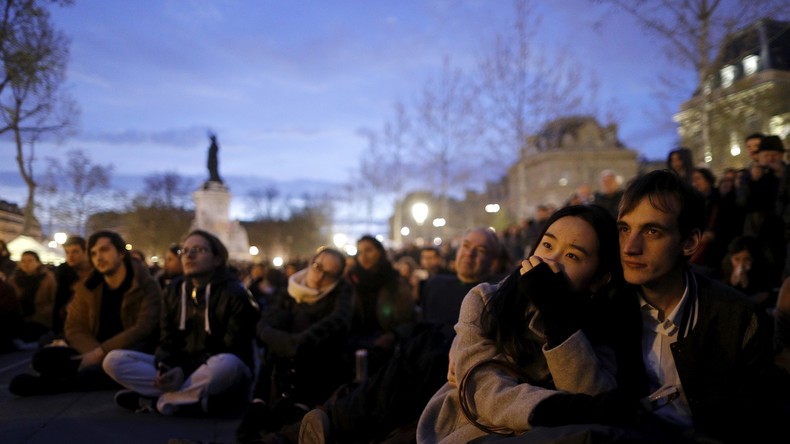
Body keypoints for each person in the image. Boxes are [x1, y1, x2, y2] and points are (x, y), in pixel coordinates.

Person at [414, 204, 626, 443]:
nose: (549, 261)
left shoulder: (600, 324)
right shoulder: (485, 299)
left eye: (572, 256)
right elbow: (485, 392)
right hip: (473, 431)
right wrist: (556, 408)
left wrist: (557, 317)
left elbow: (594, 399)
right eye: (547, 245)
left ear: (599, 278)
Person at [612, 169, 788, 442]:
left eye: (652, 230)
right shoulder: (604, 309)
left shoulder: (739, 318)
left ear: (690, 242)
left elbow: (757, 422)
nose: (629, 247)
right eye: (624, 229)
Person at [298, 227, 504, 444]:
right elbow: (420, 323)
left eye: (480, 250)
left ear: (493, 261)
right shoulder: (436, 284)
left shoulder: (493, 295)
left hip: (448, 371)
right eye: (466, 246)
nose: (469, 254)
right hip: (413, 357)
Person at [102, 229, 259, 416]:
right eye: (184, 251)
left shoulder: (235, 293)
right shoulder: (174, 290)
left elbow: (231, 347)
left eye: (198, 250)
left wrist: (184, 371)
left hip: (219, 369)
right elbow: (167, 338)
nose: (189, 255)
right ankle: (188, 400)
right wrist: (166, 367)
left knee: (227, 363)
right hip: (181, 368)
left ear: (217, 259)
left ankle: (158, 402)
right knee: (113, 360)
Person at [8, 230, 162, 396]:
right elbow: (74, 327)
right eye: (94, 253)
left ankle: (56, 385)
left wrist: (101, 353)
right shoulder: (87, 287)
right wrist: (93, 353)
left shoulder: (145, 284)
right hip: (92, 349)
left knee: (110, 366)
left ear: (121, 253)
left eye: (104, 250)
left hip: (130, 350)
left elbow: (144, 327)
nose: (99, 257)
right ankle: (90, 374)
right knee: (43, 358)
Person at [236, 247, 352, 442]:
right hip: (281, 356)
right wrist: (286, 342)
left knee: (303, 322)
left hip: (318, 362)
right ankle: (260, 402)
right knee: (282, 321)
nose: (320, 275)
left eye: (328, 273)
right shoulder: (291, 287)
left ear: (337, 278)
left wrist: (296, 342)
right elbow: (265, 322)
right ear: (311, 263)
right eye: (318, 266)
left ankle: (294, 403)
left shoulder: (342, 293)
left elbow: (334, 323)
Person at [346, 235, 416, 374]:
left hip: (387, 346)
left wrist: (393, 335)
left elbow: (407, 317)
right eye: (360, 252)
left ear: (379, 251)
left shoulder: (395, 281)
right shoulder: (350, 281)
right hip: (354, 345)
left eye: (368, 250)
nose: (364, 256)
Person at [9, 250, 56, 345]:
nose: (26, 264)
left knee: (29, 335)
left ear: (38, 262)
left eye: (30, 260)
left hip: (41, 318)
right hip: (19, 318)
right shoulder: (14, 280)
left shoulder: (48, 278)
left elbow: (54, 299)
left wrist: (46, 311)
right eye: (23, 261)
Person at [52, 235, 92, 336]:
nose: (70, 256)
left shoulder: (96, 271)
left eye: (75, 251)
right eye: (67, 252)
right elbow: (59, 300)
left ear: (85, 252)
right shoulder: (63, 271)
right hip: (67, 321)